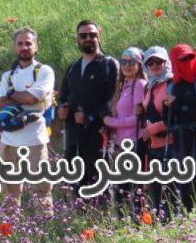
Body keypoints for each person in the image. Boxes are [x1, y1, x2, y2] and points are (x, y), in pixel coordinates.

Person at [0, 27, 55, 217]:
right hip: (8, 141)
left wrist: (10, 95)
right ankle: (10, 228)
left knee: (41, 189)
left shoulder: (44, 71)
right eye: (20, 43)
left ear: (36, 46)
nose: (24, 47)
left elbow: (32, 98)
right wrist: (21, 97)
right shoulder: (8, 75)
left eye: (28, 43)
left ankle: (46, 227)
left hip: (35, 139)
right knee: (9, 192)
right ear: (15, 47)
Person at [57, 20, 119, 202]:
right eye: (83, 35)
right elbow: (63, 95)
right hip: (74, 135)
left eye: (92, 35)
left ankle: (103, 219)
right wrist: (61, 108)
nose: (88, 39)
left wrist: (90, 117)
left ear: (100, 36)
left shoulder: (109, 65)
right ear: (78, 39)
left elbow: (113, 99)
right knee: (76, 184)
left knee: (99, 183)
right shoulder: (73, 68)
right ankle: (80, 219)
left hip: (99, 135)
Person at [166, 44, 196, 212]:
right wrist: (169, 107)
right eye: (183, 59)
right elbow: (168, 120)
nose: (187, 61)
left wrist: (179, 106)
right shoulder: (172, 86)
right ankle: (190, 221)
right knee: (185, 187)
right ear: (175, 62)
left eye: (190, 57)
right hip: (180, 143)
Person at [102, 48, 147, 217]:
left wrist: (111, 122)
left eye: (131, 62)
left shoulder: (140, 85)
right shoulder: (124, 85)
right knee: (122, 188)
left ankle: (139, 223)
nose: (127, 65)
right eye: (123, 61)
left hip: (135, 143)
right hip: (122, 144)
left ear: (139, 64)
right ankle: (123, 223)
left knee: (134, 188)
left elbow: (138, 119)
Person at [141, 46, 174, 219]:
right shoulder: (149, 86)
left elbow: (173, 118)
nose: (154, 65)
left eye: (158, 61)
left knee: (170, 192)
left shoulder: (172, 84)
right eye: (150, 62)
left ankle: (173, 224)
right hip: (153, 146)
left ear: (166, 62)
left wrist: (150, 129)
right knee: (156, 193)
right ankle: (160, 226)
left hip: (171, 145)